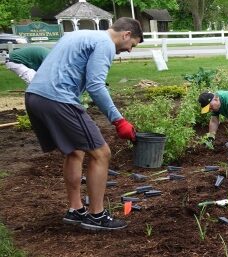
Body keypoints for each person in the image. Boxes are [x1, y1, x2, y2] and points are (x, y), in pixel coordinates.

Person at [24, 17, 143, 231]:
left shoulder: (81, 34)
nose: (129, 50)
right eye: (132, 44)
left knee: (75, 151)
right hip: (57, 98)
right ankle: (96, 216)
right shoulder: (105, 43)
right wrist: (119, 120)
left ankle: (75, 209)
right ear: (126, 34)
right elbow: (96, 85)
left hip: (34, 96)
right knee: (101, 153)